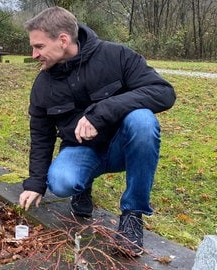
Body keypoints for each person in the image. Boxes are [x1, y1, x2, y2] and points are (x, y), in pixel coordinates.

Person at [18, 6, 176, 256]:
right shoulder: (42, 85)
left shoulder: (117, 56)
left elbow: (163, 92)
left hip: (123, 146)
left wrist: (103, 111)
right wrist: (36, 183)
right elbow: (41, 136)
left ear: (62, 40)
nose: (34, 55)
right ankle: (82, 188)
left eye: (39, 46)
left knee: (143, 120)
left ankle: (133, 215)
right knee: (60, 182)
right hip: (81, 150)